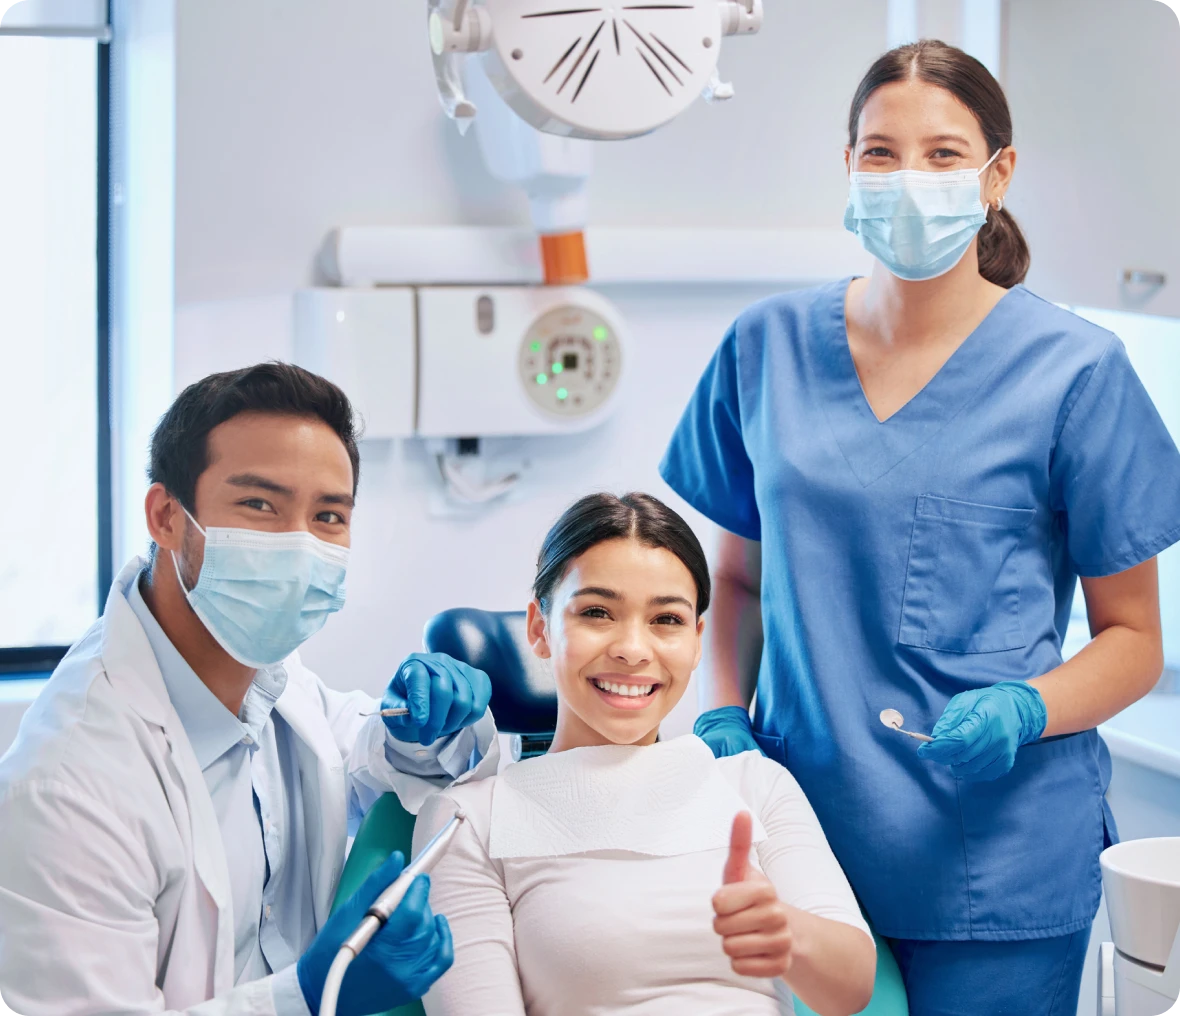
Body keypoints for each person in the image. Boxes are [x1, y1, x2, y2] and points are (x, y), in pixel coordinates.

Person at [661, 38, 1180, 1016]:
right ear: (848, 167)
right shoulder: (765, 346)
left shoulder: (1076, 371)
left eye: (944, 154)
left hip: (994, 861)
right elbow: (735, 581)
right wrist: (723, 717)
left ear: (997, 174)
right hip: (799, 836)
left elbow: (1133, 639)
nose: (909, 178)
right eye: (880, 152)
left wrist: (1027, 706)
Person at [0, 363, 500, 1016]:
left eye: (328, 515)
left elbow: (365, 760)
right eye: (260, 505)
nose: (299, 544)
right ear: (166, 517)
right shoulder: (68, 785)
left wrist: (422, 729)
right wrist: (309, 995)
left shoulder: (265, 675)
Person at [413, 493, 876, 1016]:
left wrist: (787, 931)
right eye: (596, 612)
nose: (633, 649)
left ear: (697, 640)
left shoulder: (754, 785)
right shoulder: (469, 819)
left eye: (667, 619)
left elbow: (851, 990)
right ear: (540, 629)